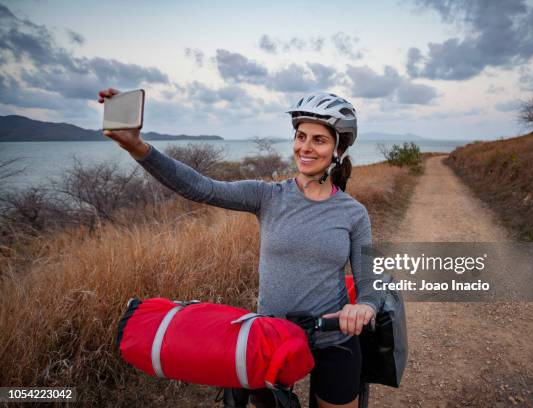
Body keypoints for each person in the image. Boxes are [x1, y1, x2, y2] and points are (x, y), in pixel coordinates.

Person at [98, 88, 382, 408]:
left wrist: (365, 308)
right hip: (270, 338)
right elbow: (201, 188)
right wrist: (137, 147)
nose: (305, 147)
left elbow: (368, 279)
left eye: (319, 140)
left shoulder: (353, 213)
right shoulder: (268, 196)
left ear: (338, 149)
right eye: (301, 136)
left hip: (335, 338)